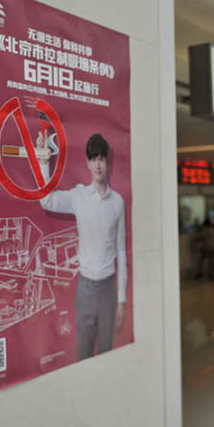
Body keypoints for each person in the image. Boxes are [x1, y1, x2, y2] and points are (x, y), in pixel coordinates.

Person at [40, 133, 127, 360]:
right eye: (93, 159)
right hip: (86, 288)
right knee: (84, 354)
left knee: (107, 353)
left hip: (108, 288)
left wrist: (121, 298)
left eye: (102, 159)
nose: (98, 165)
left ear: (107, 162)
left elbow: (120, 250)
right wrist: (43, 163)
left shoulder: (117, 202)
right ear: (87, 163)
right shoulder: (79, 196)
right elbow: (46, 200)